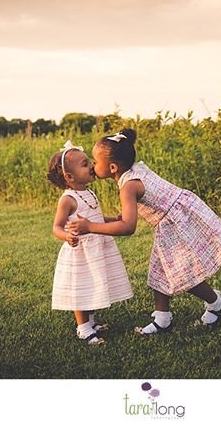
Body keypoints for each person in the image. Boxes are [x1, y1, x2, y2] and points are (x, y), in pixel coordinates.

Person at [67, 129, 221, 335]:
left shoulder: (128, 187)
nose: (93, 166)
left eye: (95, 161)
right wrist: (104, 219)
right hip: (175, 218)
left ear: (112, 167)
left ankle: (215, 302)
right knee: (159, 271)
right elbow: (133, 210)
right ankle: (162, 318)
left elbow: (128, 227)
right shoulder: (135, 171)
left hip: (177, 222)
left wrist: (90, 227)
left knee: (182, 272)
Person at [47, 140, 133, 345]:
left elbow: (96, 219)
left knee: (92, 284)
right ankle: (83, 327)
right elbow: (57, 227)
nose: (92, 167)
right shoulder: (68, 199)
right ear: (70, 177)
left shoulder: (89, 192)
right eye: (85, 164)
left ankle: (91, 321)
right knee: (81, 287)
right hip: (81, 251)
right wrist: (66, 236)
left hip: (96, 248)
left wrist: (116, 220)